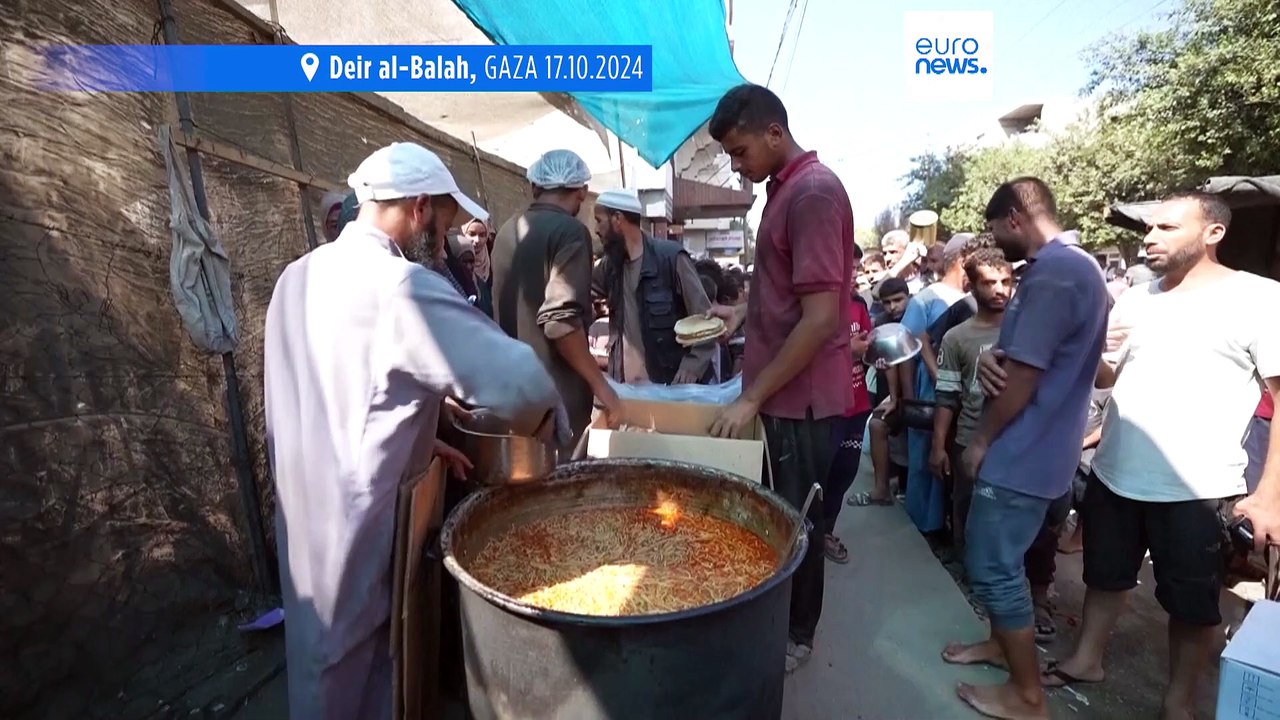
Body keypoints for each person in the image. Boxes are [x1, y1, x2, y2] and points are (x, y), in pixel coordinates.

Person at [263, 142, 568, 720]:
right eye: (445, 223)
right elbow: (524, 384)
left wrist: (423, 431)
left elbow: (340, 390)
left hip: (300, 508)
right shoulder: (400, 286)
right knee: (359, 662)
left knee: (314, 652)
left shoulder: (296, 277)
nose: (445, 238)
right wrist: (543, 425)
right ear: (421, 208)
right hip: (359, 518)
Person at [1023, 193, 1280, 720]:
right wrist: (1093, 347)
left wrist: (1268, 498)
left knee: (1193, 602)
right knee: (1104, 574)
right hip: (1116, 471)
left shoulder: (1259, 297)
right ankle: (1087, 660)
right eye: (1149, 228)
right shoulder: (1137, 299)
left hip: (1197, 486)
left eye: (1166, 227)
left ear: (1213, 233)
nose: (1150, 238)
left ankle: (1178, 702)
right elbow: (1106, 376)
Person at [942, 177, 1107, 720]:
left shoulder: (1056, 273)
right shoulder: (1078, 268)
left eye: (995, 228)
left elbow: (1026, 377)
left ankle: (1027, 695)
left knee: (993, 565)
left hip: (1022, 452)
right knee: (1001, 560)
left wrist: (981, 440)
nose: (995, 240)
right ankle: (999, 644)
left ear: (1015, 217)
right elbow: (1039, 357)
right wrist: (998, 358)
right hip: (1045, 448)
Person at [703, 84, 854, 674]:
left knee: (796, 522)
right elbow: (790, 292)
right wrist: (742, 313)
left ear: (774, 133)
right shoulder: (785, 190)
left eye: (739, 152)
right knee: (779, 515)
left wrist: (752, 399)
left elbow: (820, 319)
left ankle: (797, 634)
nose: (736, 167)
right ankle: (776, 618)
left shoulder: (812, 194)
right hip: (783, 395)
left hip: (801, 401)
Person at [491, 149, 624, 451]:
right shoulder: (571, 232)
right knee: (560, 476)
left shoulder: (507, 231)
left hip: (513, 395)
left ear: (535, 187)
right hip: (556, 403)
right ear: (582, 191)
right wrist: (602, 388)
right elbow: (559, 323)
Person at [931, 248, 1014, 549]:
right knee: (966, 510)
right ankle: (964, 565)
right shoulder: (956, 337)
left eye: (1005, 281)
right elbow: (947, 395)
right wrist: (938, 446)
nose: (999, 290)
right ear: (971, 285)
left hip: (1016, 441)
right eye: (989, 283)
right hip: (969, 440)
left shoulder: (1027, 330)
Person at [590, 188, 716, 385]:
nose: (596, 230)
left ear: (617, 219)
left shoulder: (671, 258)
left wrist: (693, 365)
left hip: (669, 386)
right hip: (626, 389)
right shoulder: (610, 266)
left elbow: (705, 319)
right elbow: (578, 292)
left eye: (599, 221)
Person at [896, 234, 973, 536]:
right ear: (962, 261)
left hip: (965, 396)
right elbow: (907, 349)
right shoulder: (926, 299)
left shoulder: (975, 298)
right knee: (923, 458)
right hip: (929, 394)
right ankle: (923, 529)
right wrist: (909, 400)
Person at [461, 218, 494, 317]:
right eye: (472, 234)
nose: (477, 240)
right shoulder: (457, 261)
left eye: (482, 235)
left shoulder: (493, 257)